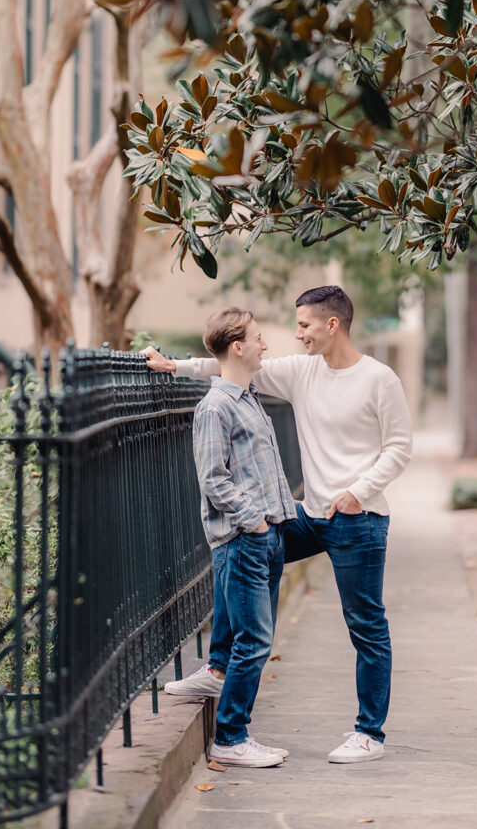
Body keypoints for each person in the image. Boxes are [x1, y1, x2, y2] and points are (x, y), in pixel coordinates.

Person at [148, 285, 412, 763]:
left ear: (332, 325)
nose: (296, 334)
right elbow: (230, 366)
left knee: (366, 624)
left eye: (305, 325)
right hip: (309, 516)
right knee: (247, 552)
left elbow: (399, 447)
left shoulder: (380, 379)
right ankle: (219, 664)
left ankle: (368, 731)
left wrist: (358, 492)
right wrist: (174, 366)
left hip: (359, 519)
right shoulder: (301, 372)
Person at [167, 307, 297, 768]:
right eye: (259, 338)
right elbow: (214, 479)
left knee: (254, 638)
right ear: (238, 346)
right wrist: (255, 520)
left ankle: (229, 712)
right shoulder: (215, 406)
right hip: (244, 539)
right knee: (254, 641)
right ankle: (231, 737)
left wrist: (277, 521)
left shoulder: (249, 397)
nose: (266, 345)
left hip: (267, 537)